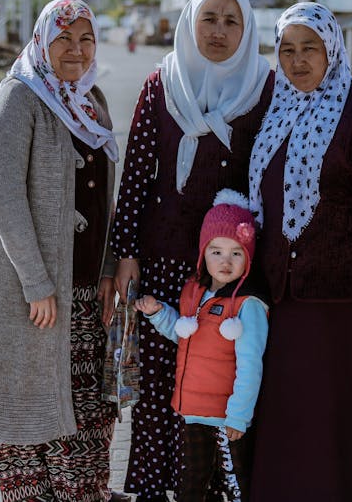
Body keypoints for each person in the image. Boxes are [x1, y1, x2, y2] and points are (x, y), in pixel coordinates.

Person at [109, 0, 273, 501]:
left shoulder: (265, 89)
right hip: (164, 260)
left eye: (231, 21)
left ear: (247, 31)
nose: (219, 31)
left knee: (227, 376)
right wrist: (126, 253)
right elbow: (135, 175)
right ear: (189, 23)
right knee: (165, 382)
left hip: (230, 269)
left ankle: (221, 487)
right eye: (209, 18)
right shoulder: (161, 85)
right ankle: (162, 487)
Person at [247, 2, 352, 501]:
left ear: (332, 50)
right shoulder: (272, 111)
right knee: (296, 422)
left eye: (310, 49)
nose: (298, 61)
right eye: (287, 49)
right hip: (286, 302)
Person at [0, 0, 128, 502]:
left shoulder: (91, 100)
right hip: (30, 292)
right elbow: (5, 199)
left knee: (85, 413)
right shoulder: (20, 98)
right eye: (64, 38)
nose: (76, 49)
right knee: (31, 414)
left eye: (86, 38)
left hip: (83, 294)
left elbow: (106, 196)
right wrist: (37, 284)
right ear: (42, 41)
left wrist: (106, 270)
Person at [135, 190, 269, 502]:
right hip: (193, 413)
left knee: (238, 487)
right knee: (190, 487)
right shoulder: (194, 294)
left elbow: (251, 365)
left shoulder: (247, 307)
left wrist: (238, 416)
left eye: (236, 253)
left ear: (248, 257)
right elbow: (184, 336)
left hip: (228, 418)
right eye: (217, 251)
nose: (225, 261)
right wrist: (158, 313)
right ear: (203, 254)